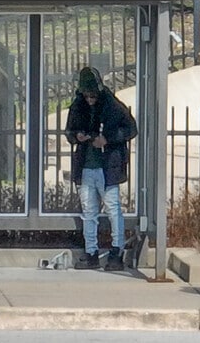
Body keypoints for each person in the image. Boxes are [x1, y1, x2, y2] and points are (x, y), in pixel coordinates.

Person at [64, 65, 137, 269]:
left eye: (92, 96)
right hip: (87, 165)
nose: (90, 100)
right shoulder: (78, 105)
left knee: (113, 209)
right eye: (86, 96)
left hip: (108, 166)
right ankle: (91, 252)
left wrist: (107, 139)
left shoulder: (112, 105)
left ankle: (116, 251)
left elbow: (131, 128)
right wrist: (76, 136)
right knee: (89, 211)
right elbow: (69, 130)